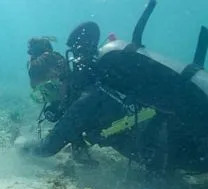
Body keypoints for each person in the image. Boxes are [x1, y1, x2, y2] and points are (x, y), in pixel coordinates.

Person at [19, 0, 208, 177]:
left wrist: (20, 148)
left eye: (48, 91)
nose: (50, 101)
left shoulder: (87, 99)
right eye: (41, 96)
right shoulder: (96, 86)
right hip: (181, 143)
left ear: (58, 75)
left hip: (191, 145)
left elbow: (47, 148)